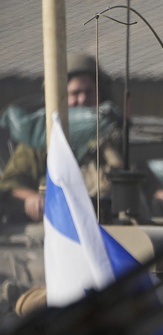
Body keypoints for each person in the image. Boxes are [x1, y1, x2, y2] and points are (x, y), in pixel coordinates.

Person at [1, 53, 118, 222]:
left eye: (89, 92)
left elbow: (146, 183)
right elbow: (9, 184)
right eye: (75, 93)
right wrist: (32, 198)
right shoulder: (41, 140)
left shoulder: (113, 136)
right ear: (59, 97)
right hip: (57, 226)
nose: (82, 99)